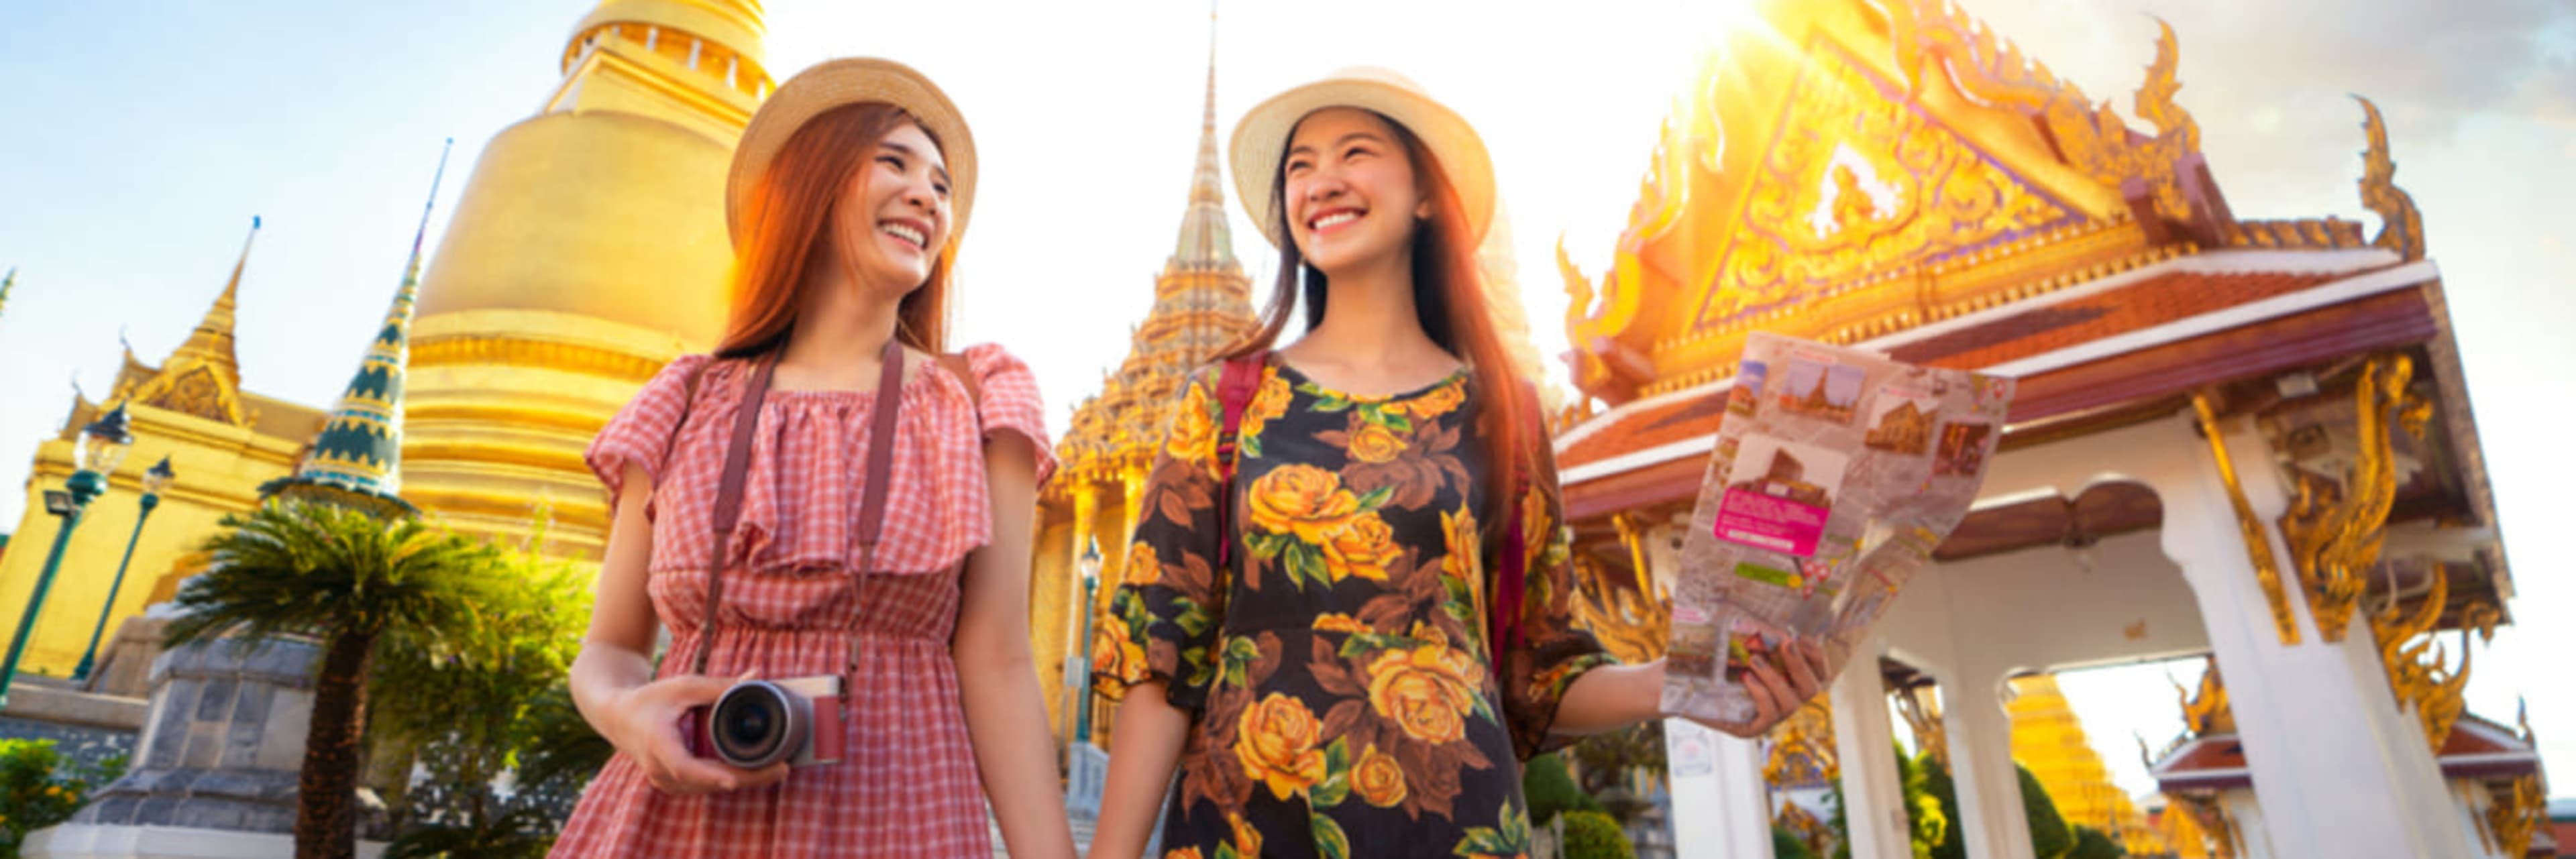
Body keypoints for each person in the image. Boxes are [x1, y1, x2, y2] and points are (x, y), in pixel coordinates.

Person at [1085, 68, 1831, 859]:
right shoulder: (1226, 401)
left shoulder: (1504, 416)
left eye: (1355, 153)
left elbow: (1537, 673)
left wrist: (1681, 683)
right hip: (1247, 829)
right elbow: (1161, 659)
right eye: (1299, 166)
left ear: (1428, 195)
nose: (1321, 181)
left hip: (1456, 831)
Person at [552, 58, 1074, 858]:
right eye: (894, 163)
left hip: (898, 815)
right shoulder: (685, 400)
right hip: (674, 818)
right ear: (811, 185)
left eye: (942, 187)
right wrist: (627, 714)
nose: (926, 197)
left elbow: (1000, 658)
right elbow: (612, 647)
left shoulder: (978, 399)